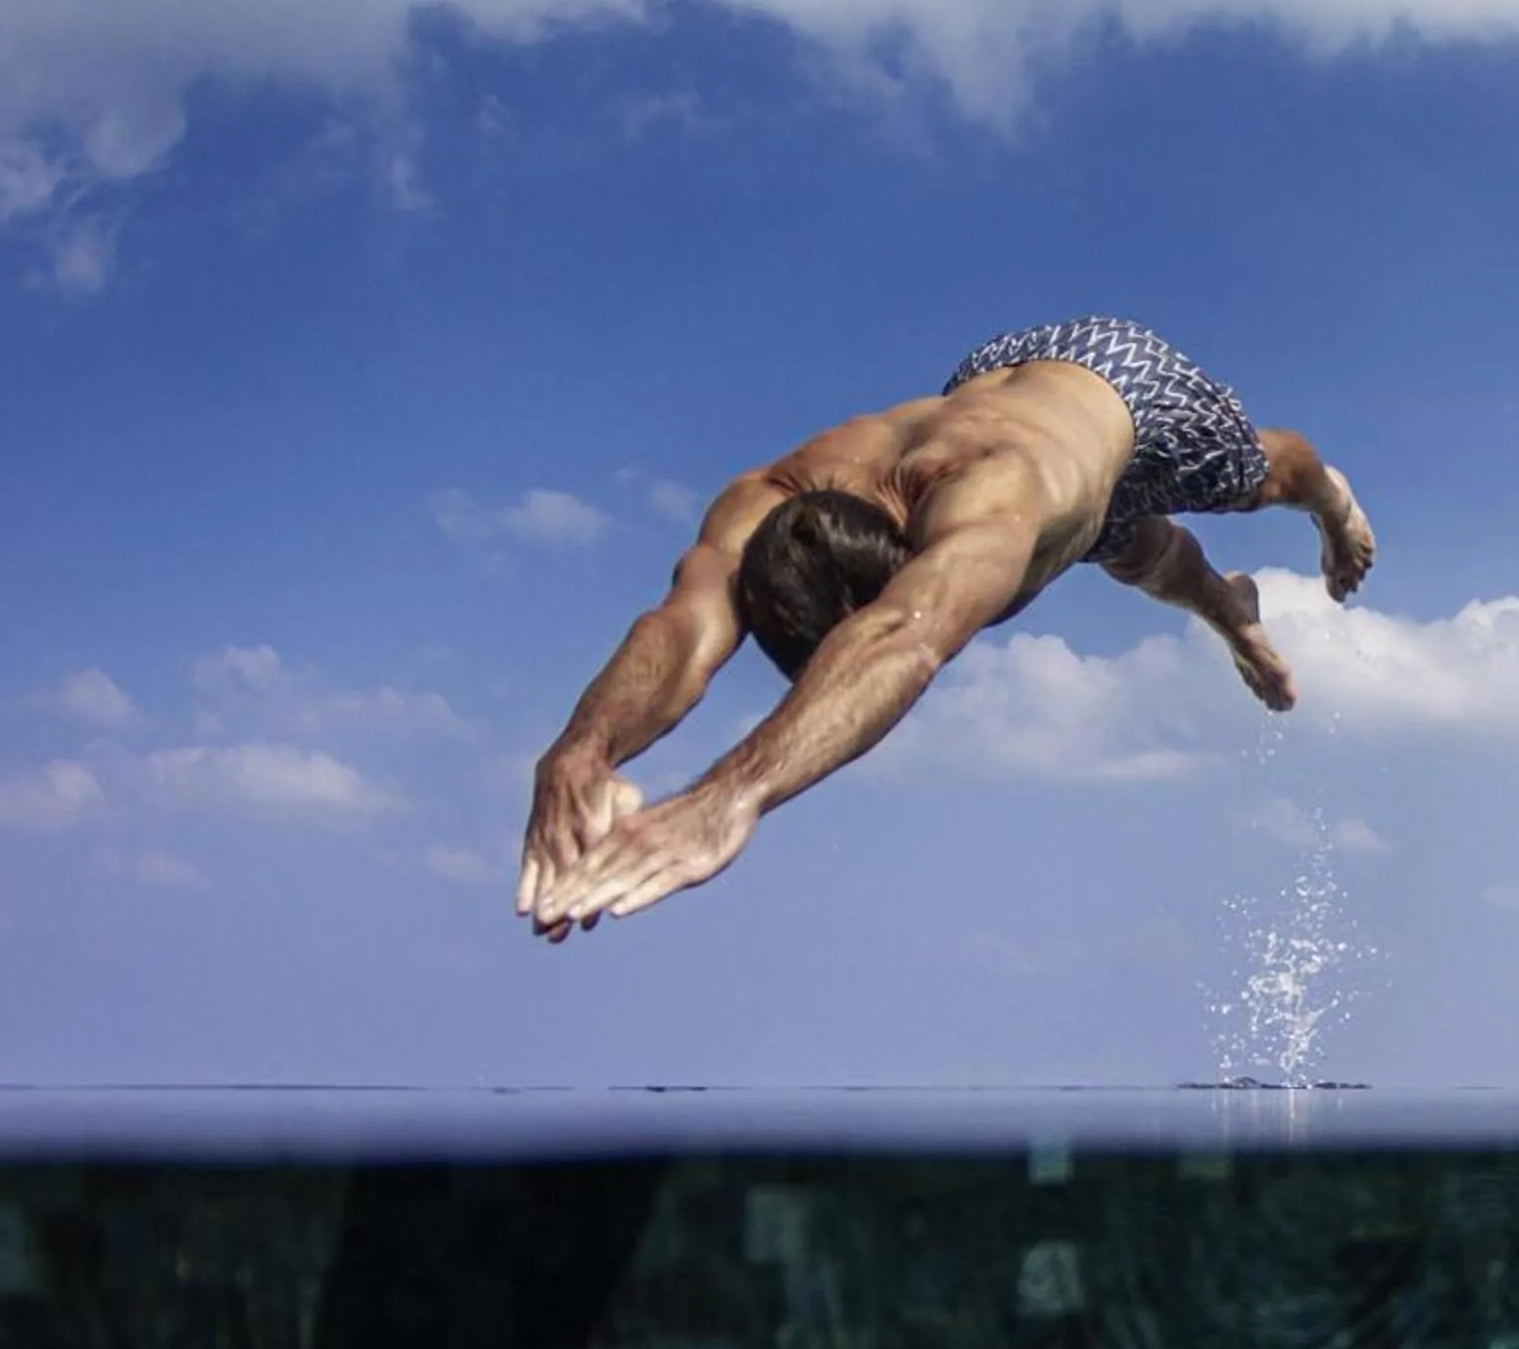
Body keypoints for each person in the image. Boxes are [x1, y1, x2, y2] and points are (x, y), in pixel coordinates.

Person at [517, 317, 1375, 938]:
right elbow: (681, 626)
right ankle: (1235, 615)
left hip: (1122, 381)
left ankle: (1328, 500)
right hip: (993, 375)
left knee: (1258, 473)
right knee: (1118, 543)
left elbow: (902, 638)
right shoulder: (770, 496)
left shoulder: (991, 500)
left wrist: (724, 799)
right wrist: (580, 753)